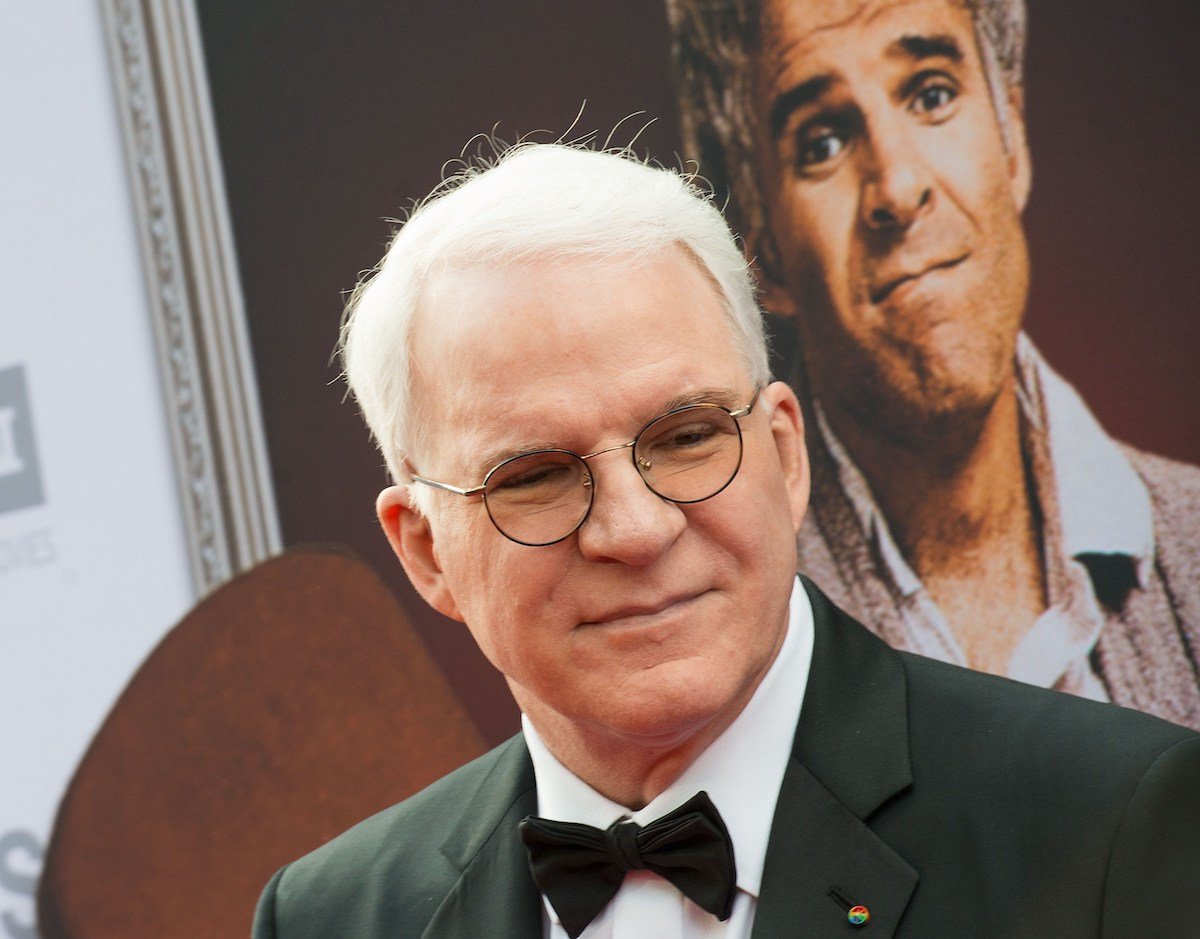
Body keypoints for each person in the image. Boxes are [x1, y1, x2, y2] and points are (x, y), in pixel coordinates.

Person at [252, 143, 1199, 937]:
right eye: (535, 477)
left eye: (687, 436)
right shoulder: (336, 917)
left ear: (785, 457)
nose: (634, 528)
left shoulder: (1111, 825)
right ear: (424, 549)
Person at [666, 0, 1200, 729]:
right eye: (822, 141)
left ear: (1012, 141)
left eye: (931, 94)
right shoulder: (715, 653)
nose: (897, 186)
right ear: (762, 252)